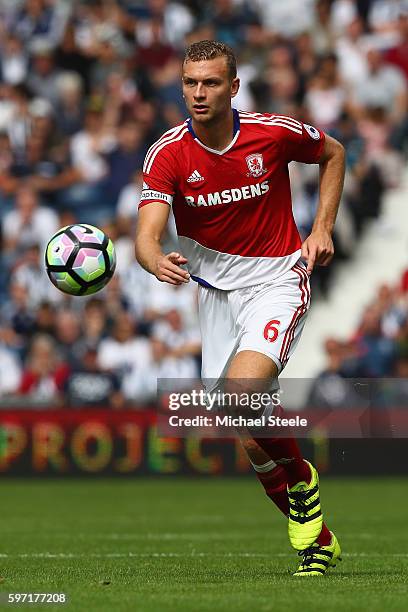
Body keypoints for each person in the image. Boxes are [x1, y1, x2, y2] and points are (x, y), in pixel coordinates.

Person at [135, 40, 345, 576]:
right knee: (247, 431)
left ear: (233, 86)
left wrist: (321, 229)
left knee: (242, 393)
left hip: (278, 279)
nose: (198, 93)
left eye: (209, 83)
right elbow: (146, 237)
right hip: (215, 294)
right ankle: (318, 540)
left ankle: (303, 481)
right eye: (189, 83)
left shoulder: (272, 133)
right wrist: (154, 257)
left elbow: (334, 153)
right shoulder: (168, 152)